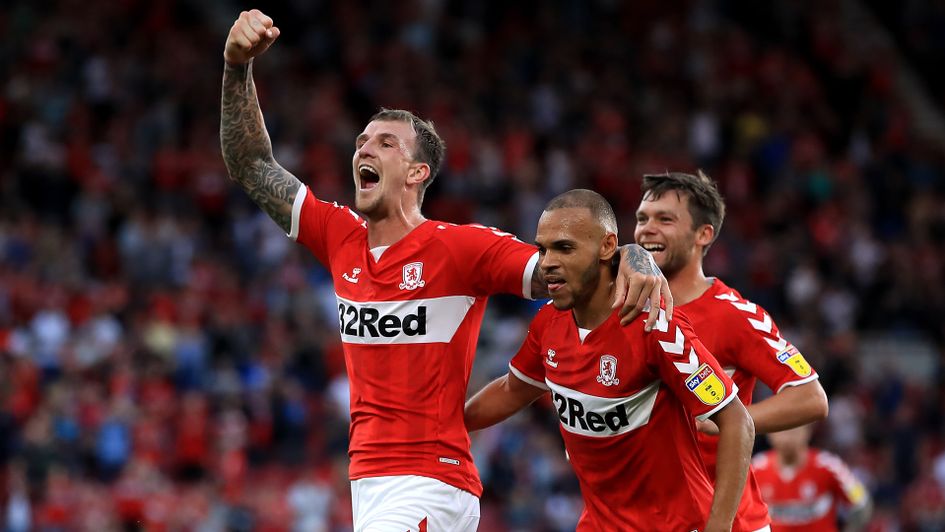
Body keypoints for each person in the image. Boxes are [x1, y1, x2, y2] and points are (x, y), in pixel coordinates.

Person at [219, 10, 671, 531]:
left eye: (385, 143)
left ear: (417, 173)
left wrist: (632, 254)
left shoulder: (461, 249)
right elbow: (252, 165)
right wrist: (236, 68)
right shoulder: (339, 237)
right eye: (362, 141)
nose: (365, 148)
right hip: (368, 482)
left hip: (432, 481)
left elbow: (568, 269)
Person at [465, 189, 755, 532]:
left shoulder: (655, 326)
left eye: (564, 248)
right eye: (542, 249)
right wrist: (444, 426)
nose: (547, 262)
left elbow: (737, 422)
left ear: (607, 247)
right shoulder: (548, 323)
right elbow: (513, 390)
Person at [633, 170, 830, 531]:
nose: (647, 229)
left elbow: (811, 398)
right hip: (646, 517)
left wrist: (729, 422)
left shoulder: (734, 315)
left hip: (728, 521)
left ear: (703, 234)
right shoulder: (625, 308)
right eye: (642, 219)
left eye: (665, 219)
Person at [753, 425, 872, 531]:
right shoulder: (756, 468)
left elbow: (861, 502)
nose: (786, 438)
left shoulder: (828, 466)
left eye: (793, 431)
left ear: (807, 432)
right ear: (770, 434)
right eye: (780, 431)